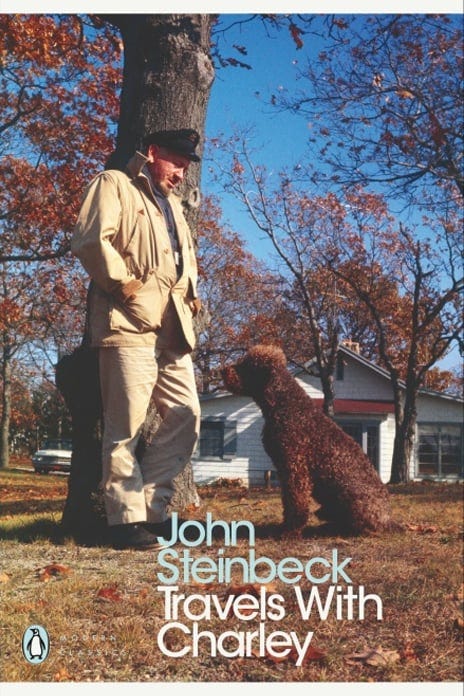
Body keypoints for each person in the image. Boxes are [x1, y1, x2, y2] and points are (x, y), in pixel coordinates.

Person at [71, 129, 202, 550]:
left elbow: (181, 260)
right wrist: (126, 288)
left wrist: (191, 296)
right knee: (124, 427)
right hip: (126, 325)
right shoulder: (114, 184)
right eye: (177, 162)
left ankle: (152, 511)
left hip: (173, 329)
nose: (182, 173)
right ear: (152, 153)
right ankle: (125, 523)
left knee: (187, 415)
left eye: (187, 165)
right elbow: (91, 240)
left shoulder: (176, 207)